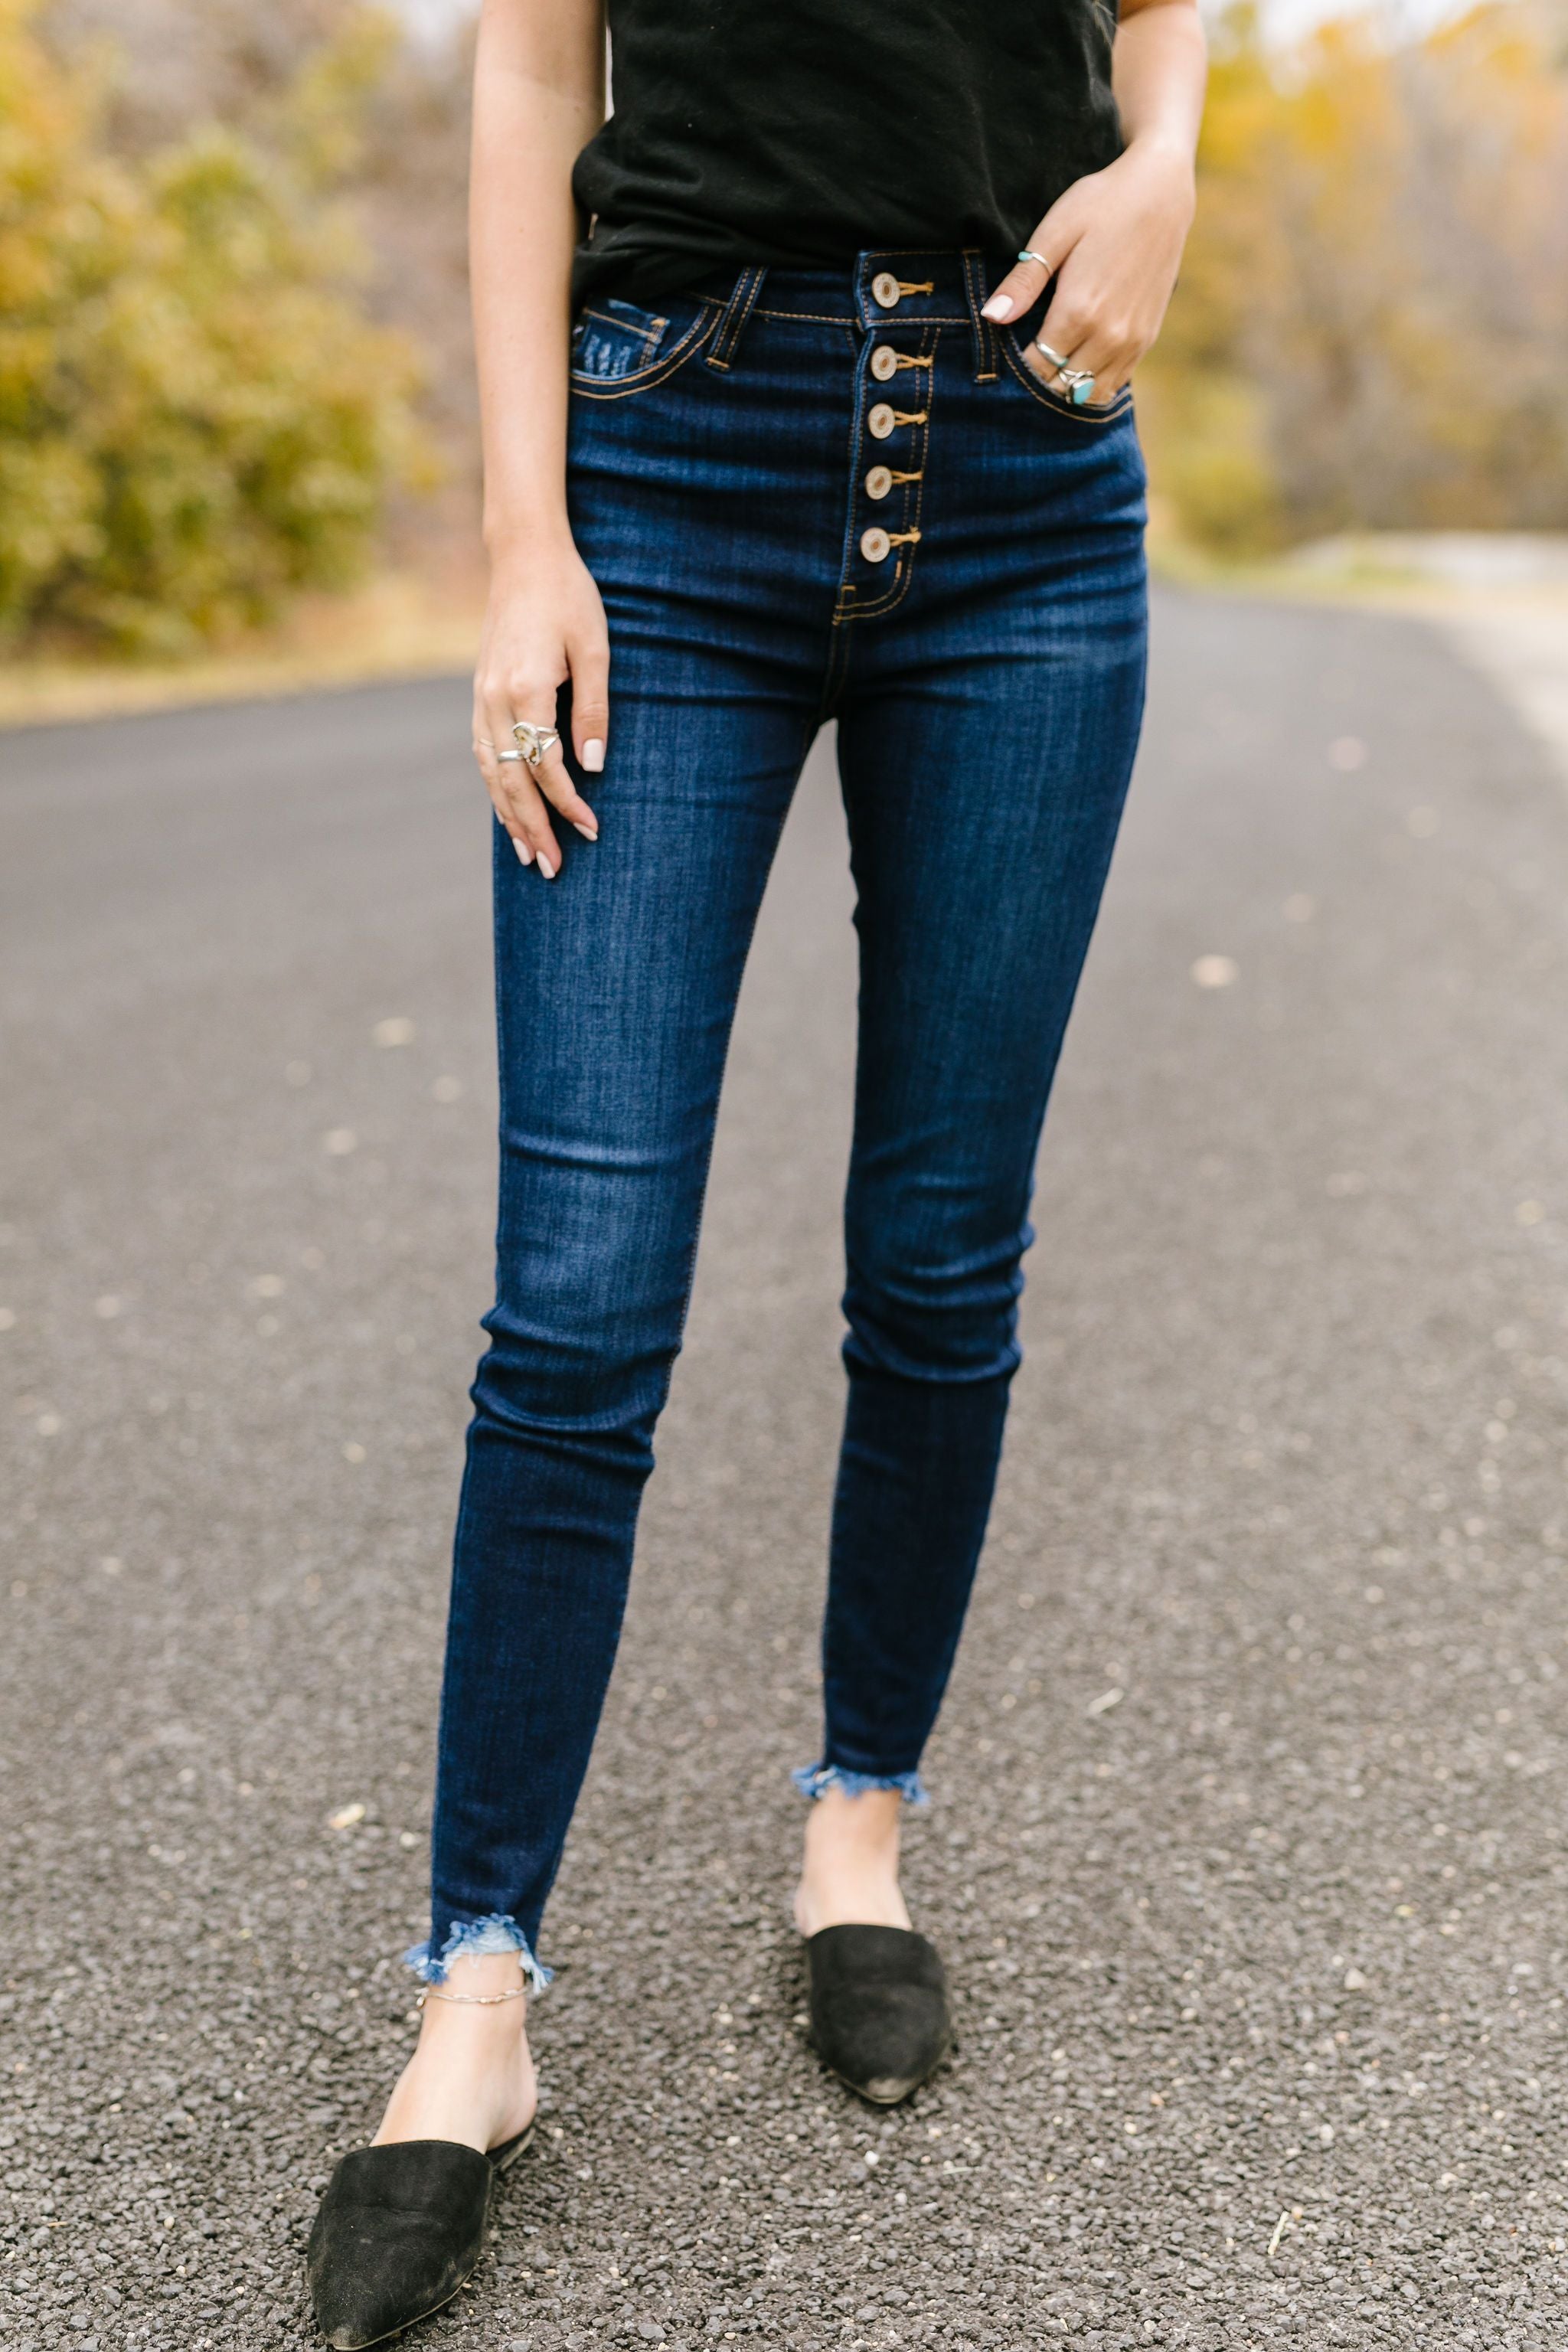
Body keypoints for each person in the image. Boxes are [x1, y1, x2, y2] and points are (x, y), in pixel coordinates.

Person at [306, 0, 1205, 2340]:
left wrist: (1170, 153)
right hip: (666, 468)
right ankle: (475, 2002)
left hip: (1028, 480)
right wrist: (525, 542)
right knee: (583, 1296)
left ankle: (856, 1833)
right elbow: (530, 72)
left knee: (939, 1260)